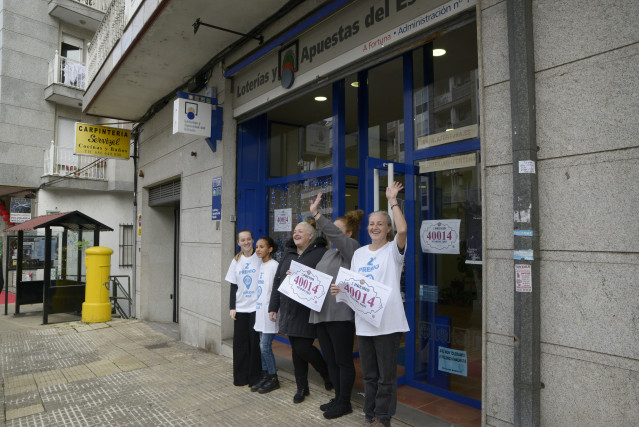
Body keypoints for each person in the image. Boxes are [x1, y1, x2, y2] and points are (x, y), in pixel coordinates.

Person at [332, 181, 409, 427]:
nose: (375, 227)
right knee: (370, 375)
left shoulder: (393, 252)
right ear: (368, 228)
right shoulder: (359, 254)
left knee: (387, 376)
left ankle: (383, 418)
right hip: (365, 323)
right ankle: (369, 414)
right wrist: (340, 288)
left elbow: (404, 230)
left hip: (388, 324)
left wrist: (393, 201)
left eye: (380, 224)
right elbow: (354, 285)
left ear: (388, 229)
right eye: (372, 224)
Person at [308, 193, 362, 419]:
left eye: (336, 230)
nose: (330, 233)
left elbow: (332, 234)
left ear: (348, 234)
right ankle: (338, 396)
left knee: (342, 360)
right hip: (321, 315)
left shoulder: (352, 249)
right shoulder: (329, 254)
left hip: (340, 316)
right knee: (330, 359)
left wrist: (318, 215)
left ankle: (345, 402)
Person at [268, 220, 331, 403]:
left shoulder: (321, 254)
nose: (296, 234)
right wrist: (274, 307)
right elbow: (277, 281)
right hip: (289, 309)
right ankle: (302, 387)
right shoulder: (289, 254)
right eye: (295, 231)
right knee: (297, 350)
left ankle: (325, 372)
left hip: (307, 311)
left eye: (300, 232)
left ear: (311, 235)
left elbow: (326, 280)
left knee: (302, 347)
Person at [225, 230, 262, 387]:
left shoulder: (260, 258)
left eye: (248, 239)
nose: (246, 242)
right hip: (240, 308)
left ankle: (255, 378)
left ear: (252, 240)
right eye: (243, 240)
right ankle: (240, 378)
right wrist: (232, 307)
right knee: (240, 344)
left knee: (254, 345)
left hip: (255, 308)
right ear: (238, 243)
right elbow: (233, 286)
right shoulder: (236, 261)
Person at [251, 236, 280, 394]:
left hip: (270, 313)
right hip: (259, 311)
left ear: (270, 249)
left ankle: (274, 378)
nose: (258, 249)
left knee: (265, 345)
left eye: (262, 247)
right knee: (261, 346)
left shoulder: (274, 266)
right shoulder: (260, 265)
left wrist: (274, 309)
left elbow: (276, 291)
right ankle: (265, 375)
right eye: (257, 247)